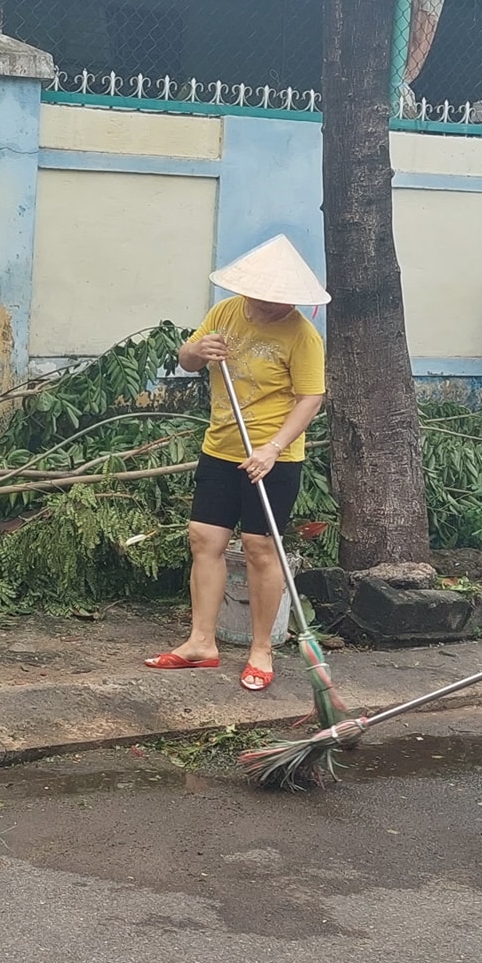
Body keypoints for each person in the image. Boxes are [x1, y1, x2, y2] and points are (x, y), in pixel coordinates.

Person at [144, 236, 326, 691]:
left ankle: (261, 649)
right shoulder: (225, 313)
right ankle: (201, 642)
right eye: (261, 294)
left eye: (278, 297)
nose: (268, 303)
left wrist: (274, 448)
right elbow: (186, 360)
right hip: (221, 447)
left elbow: (311, 398)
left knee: (260, 548)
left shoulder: (302, 335)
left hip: (272, 458)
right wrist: (196, 351)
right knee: (203, 538)